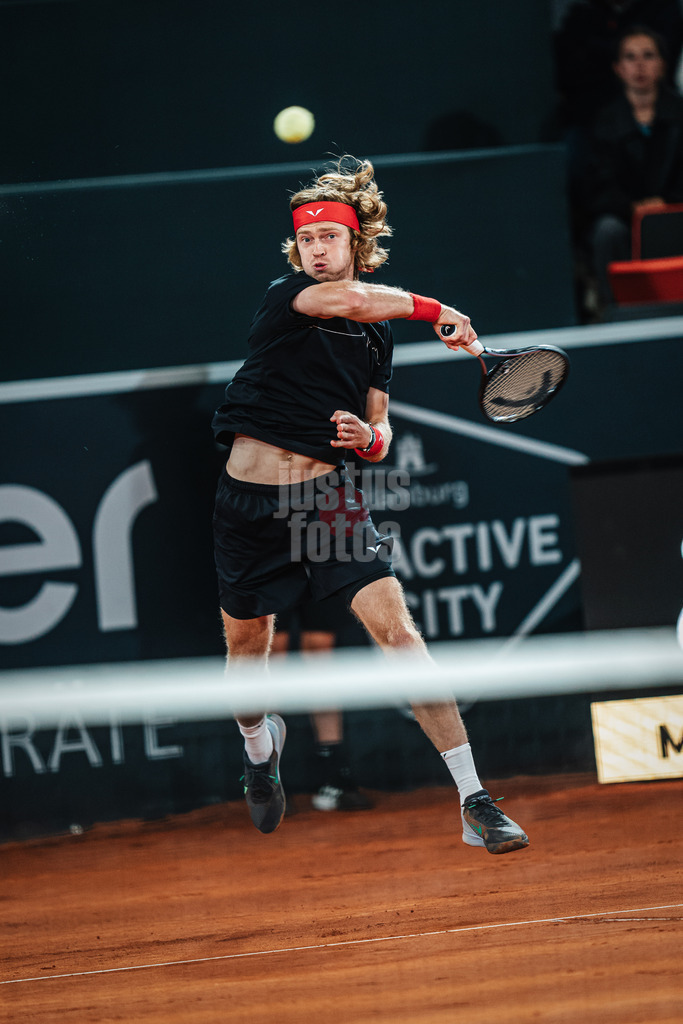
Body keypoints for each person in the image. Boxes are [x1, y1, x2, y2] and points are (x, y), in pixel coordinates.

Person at [211, 155, 529, 856]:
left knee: (399, 635)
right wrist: (439, 310)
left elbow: (380, 429)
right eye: (308, 241)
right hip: (249, 507)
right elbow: (355, 300)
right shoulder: (286, 297)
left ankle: (473, 800)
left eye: (331, 239)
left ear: (357, 244)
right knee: (245, 651)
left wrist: (369, 436)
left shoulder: (375, 335)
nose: (317, 251)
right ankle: (259, 748)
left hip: (325, 501)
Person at [577, 26, 683, 310]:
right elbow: (598, 186)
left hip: (676, 210)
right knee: (607, 231)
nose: (639, 65)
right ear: (618, 68)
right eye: (630, 57)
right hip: (625, 216)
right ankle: (615, 312)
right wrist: (633, 207)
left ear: (662, 64)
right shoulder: (605, 123)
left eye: (648, 56)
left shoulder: (680, 114)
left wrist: (666, 202)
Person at [270, 595, 373, 812]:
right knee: (273, 648)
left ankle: (334, 776)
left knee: (320, 647)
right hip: (263, 564)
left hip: (313, 563)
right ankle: (267, 778)